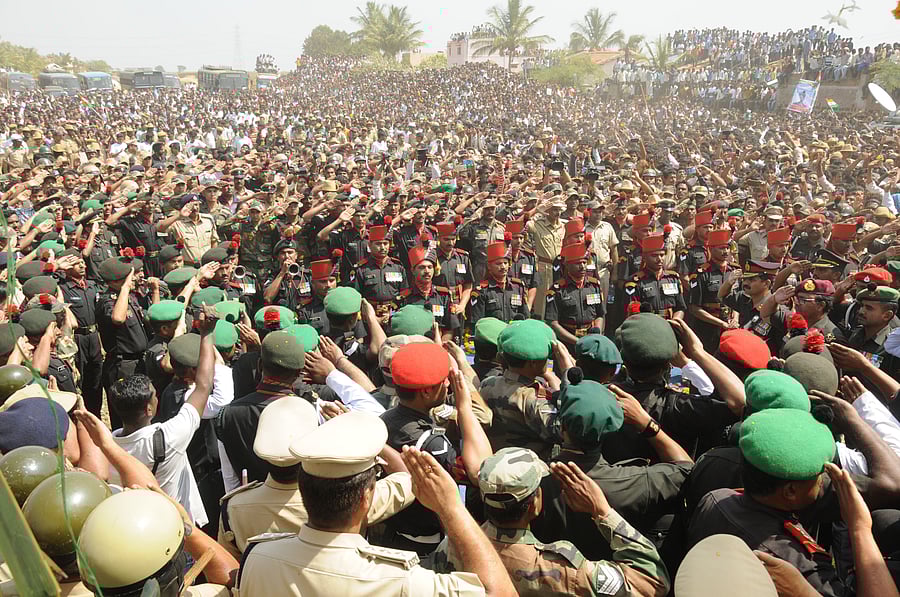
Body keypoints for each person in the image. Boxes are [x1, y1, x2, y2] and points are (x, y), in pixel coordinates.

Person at [237, 411, 517, 597]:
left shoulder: (256, 559)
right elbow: (500, 593)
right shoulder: (402, 581)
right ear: (366, 498)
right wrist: (452, 508)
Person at [433, 447, 671, 597]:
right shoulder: (559, 568)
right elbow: (651, 583)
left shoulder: (452, 546)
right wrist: (603, 511)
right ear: (536, 502)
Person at [218, 395, 415, 558]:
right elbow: (407, 478)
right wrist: (361, 438)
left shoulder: (233, 509)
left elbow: (234, 571)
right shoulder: (348, 498)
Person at [685, 408, 848, 596]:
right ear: (791, 491)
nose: (822, 482)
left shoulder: (716, 498)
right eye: (819, 476)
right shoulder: (800, 564)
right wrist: (860, 528)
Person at [532, 370, 693, 551]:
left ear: (562, 426)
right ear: (612, 430)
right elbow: (687, 469)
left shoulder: (534, 480)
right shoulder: (635, 482)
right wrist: (648, 425)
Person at [380, 342, 493, 555]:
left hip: (390, 534)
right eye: (444, 381)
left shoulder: (384, 419)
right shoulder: (431, 443)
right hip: (424, 546)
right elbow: (482, 472)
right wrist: (464, 408)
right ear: (426, 391)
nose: (449, 386)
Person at [110, 307, 216, 528]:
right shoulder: (169, 437)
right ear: (150, 410)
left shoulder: (109, 448)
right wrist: (207, 333)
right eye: (154, 396)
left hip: (134, 526)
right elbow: (204, 386)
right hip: (174, 525)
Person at [479, 319, 562, 459]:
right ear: (533, 363)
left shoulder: (488, 384)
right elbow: (561, 433)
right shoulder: (534, 399)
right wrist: (560, 387)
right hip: (529, 470)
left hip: (494, 461)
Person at [95, 256, 150, 428]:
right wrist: (126, 287)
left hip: (138, 361)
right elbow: (118, 318)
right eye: (130, 275)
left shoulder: (129, 297)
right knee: (127, 417)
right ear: (117, 281)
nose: (135, 278)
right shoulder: (107, 300)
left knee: (142, 412)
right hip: (122, 366)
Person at [545, 242, 606, 345]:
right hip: (567, 341)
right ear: (568, 265)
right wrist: (577, 341)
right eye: (578, 263)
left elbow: (600, 314)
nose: (582, 267)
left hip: (591, 339)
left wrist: (597, 333)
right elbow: (553, 323)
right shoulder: (557, 290)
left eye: (584, 262)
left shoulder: (594, 286)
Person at [687, 229, 736, 352]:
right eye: (721, 248)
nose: (725, 251)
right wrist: (721, 323)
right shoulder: (701, 273)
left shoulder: (734, 271)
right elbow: (694, 308)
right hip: (708, 328)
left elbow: (738, 300)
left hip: (731, 326)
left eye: (727, 248)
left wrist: (735, 319)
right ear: (711, 249)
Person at [397, 246, 459, 342]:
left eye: (430, 267)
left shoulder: (443, 295)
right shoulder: (404, 298)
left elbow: (450, 328)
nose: (427, 271)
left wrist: (440, 347)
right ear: (413, 271)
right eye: (422, 267)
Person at [351, 224, 408, 327]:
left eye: (385, 243)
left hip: (394, 315)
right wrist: (370, 316)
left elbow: (404, 292)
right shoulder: (362, 268)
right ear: (369, 245)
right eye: (378, 244)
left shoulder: (397, 266)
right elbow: (357, 296)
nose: (382, 247)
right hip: (369, 316)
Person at [624, 234, 686, 321]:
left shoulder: (673, 279)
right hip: (647, 326)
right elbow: (632, 313)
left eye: (662, 255)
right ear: (644, 257)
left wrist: (675, 320)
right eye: (654, 256)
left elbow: (680, 308)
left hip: (670, 325)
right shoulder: (634, 283)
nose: (659, 259)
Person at [468, 241, 530, 323]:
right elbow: (478, 322)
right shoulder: (481, 291)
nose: (503, 267)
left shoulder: (518, 287)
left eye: (505, 263)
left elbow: (526, 317)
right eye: (498, 264)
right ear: (489, 266)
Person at [847, 285, 900, 362]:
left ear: (887, 315)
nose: (861, 311)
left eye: (869, 308)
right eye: (862, 306)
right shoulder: (856, 334)